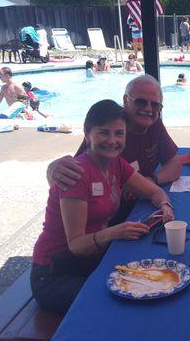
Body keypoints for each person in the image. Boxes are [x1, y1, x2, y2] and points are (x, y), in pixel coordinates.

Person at [31, 99, 175, 314]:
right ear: (87, 133)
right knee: (126, 300)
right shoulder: (77, 173)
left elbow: (154, 191)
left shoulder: (116, 164)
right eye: (103, 133)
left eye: (119, 133)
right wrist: (114, 232)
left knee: (154, 279)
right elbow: (76, 245)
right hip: (56, 273)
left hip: (90, 261)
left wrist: (164, 205)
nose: (112, 140)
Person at [46, 74, 182, 224]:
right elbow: (72, 172)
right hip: (105, 221)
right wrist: (52, 169)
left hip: (135, 208)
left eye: (155, 105)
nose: (149, 109)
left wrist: (150, 181)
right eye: (141, 102)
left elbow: (175, 164)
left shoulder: (153, 124)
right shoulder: (110, 129)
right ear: (125, 100)